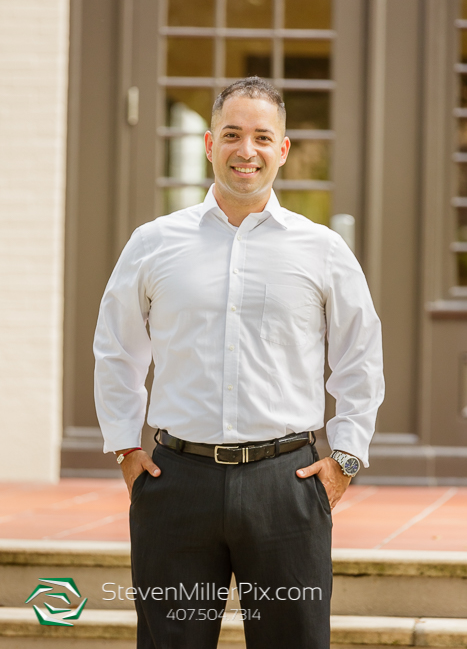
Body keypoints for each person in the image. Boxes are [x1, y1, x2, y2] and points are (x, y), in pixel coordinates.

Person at [93, 76, 384, 649]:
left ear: (282, 149)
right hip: (176, 485)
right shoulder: (153, 243)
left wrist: (346, 458)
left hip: (287, 484)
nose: (245, 150)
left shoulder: (322, 249)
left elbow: (359, 357)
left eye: (260, 136)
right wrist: (126, 448)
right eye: (231, 134)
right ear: (208, 144)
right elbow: (117, 349)